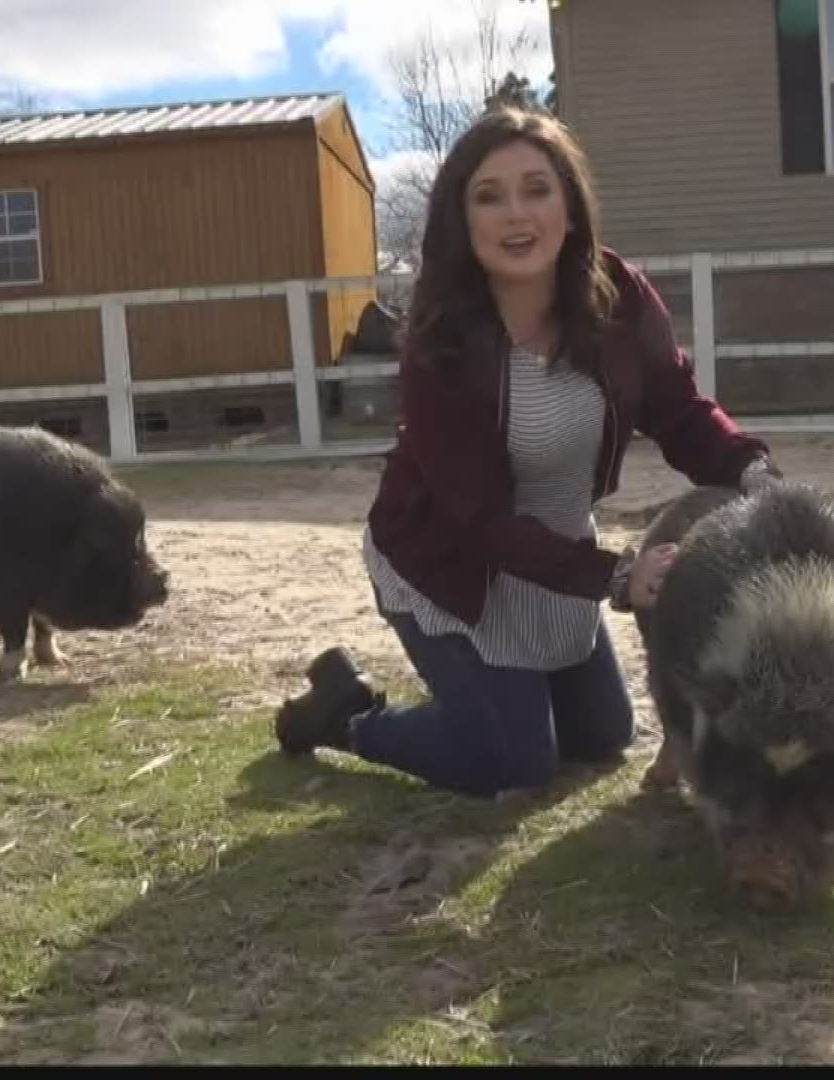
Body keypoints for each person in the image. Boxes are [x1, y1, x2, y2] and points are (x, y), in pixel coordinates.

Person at [273, 105, 781, 799]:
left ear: (569, 205)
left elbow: (681, 408)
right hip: (449, 563)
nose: (518, 216)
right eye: (490, 196)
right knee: (515, 766)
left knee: (603, 735)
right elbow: (478, 522)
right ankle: (351, 717)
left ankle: (504, 698)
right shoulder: (440, 343)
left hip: (554, 553)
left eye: (537, 189)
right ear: (463, 219)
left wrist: (755, 473)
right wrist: (617, 576)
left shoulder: (619, 298)